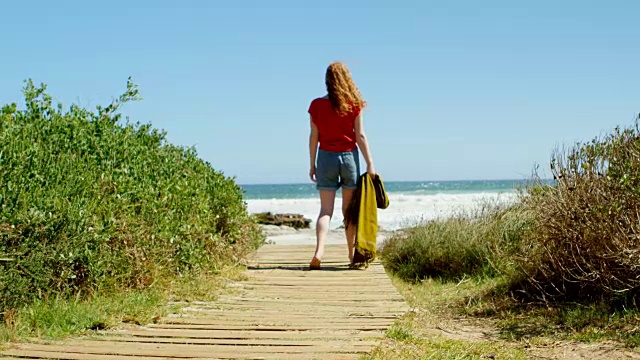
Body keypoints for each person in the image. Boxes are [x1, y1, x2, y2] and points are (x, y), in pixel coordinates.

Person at [307, 62, 376, 270]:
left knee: (325, 210)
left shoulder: (316, 105)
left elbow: (314, 137)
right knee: (348, 212)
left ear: (327, 81)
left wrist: (312, 164)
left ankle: (319, 251)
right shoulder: (355, 105)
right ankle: (350, 254)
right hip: (348, 159)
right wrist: (370, 163)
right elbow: (360, 136)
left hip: (326, 158)